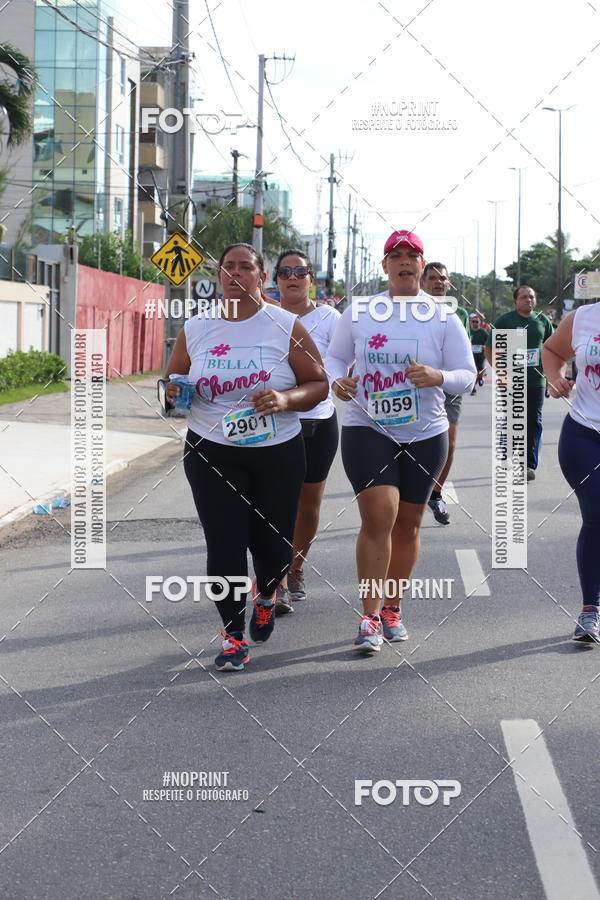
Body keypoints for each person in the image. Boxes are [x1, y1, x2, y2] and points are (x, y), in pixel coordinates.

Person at [164, 242, 328, 671]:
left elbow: (318, 384)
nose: (236, 274)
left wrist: (284, 397)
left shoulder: (285, 324)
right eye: (228, 267)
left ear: (261, 276)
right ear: (219, 275)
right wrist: (174, 391)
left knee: (272, 545)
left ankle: (268, 593)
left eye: (246, 267)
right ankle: (233, 636)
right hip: (211, 448)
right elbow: (176, 378)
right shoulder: (197, 327)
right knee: (225, 544)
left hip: (277, 451)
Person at [326, 230, 476, 652]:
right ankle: (369, 617)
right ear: (385, 265)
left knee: (408, 524)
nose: (405, 261)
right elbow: (335, 356)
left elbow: (466, 374)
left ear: (423, 265)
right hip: (367, 426)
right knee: (380, 515)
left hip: (426, 432)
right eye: (397, 255)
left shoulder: (443, 316)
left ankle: (393, 607)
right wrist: (338, 379)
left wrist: (438, 377)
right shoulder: (360, 311)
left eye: (412, 255)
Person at [273, 249, 340, 614]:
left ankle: (295, 568)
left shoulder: (330, 318)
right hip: (275, 423)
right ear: (276, 279)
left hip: (317, 422)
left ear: (311, 278)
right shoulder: (264, 316)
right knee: (275, 502)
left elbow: (347, 360)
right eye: (285, 271)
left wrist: (346, 380)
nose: (292, 276)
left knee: (308, 505)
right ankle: (276, 580)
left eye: (300, 271)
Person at [542, 301, 600, 641]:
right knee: (597, 514)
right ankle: (590, 610)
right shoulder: (583, 318)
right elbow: (551, 350)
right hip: (584, 434)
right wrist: (555, 376)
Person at [485, 286, 553, 481]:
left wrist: (550, 375)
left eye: (531, 296)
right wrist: (501, 372)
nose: (528, 300)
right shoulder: (505, 321)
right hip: (510, 380)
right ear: (515, 301)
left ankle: (528, 465)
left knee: (533, 419)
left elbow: (551, 348)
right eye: (523, 297)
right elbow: (489, 349)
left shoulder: (542, 321)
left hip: (536, 381)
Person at [420, 261, 470, 525]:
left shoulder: (458, 313)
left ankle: (435, 494)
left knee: (449, 444)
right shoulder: (411, 310)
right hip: (418, 384)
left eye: (443, 279)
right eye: (433, 278)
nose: (438, 282)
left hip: (447, 384)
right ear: (422, 282)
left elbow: (464, 351)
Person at [469, 313, 488, 394]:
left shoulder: (483, 332)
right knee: (474, 371)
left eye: (477, 322)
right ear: (471, 322)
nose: (475, 323)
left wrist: (484, 347)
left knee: (479, 371)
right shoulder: (468, 332)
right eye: (473, 321)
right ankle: (473, 388)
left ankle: (481, 377)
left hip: (481, 355)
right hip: (471, 355)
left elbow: (489, 343)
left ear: (480, 322)